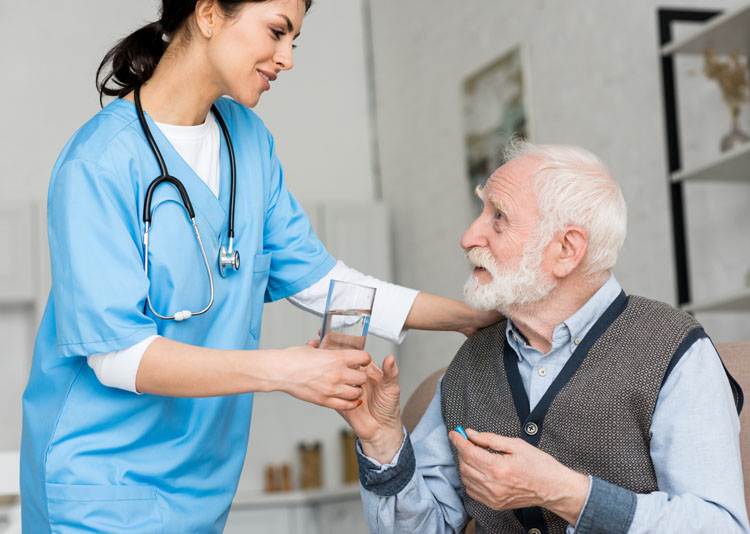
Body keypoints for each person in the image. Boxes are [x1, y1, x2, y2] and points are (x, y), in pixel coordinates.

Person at [19, 1, 499, 532]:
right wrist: (284, 371)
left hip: (199, 484)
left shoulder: (247, 140)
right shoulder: (99, 162)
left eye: (294, 40)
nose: (286, 58)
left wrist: (470, 319)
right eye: (276, 32)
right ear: (207, 14)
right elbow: (117, 356)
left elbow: (323, 283)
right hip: (100, 485)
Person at [343, 142, 750, 534]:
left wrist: (566, 494)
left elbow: (719, 527)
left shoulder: (674, 349)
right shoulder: (472, 362)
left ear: (565, 249)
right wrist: (383, 444)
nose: (468, 237)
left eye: (498, 216)